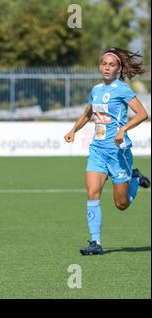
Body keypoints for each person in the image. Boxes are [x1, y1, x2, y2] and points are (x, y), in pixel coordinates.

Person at [64, 47, 150, 256]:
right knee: (92, 193)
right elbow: (87, 114)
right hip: (98, 151)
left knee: (121, 204)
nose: (106, 67)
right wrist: (73, 130)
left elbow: (142, 114)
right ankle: (95, 243)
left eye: (111, 65)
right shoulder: (96, 90)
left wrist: (123, 129)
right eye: (104, 64)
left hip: (118, 153)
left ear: (119, 68)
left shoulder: (123, 90)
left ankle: (135, 179)